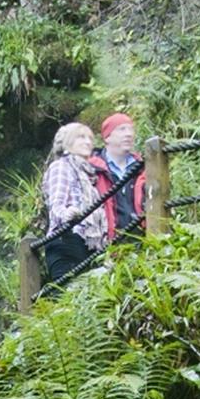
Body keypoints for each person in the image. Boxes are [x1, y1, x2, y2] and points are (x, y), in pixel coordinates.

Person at [40, 122, 108, 290]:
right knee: (66, 295)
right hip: (66, 240)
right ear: (67, 142)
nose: (87, 142)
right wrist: (68, 214)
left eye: (90, 138)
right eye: (80, 137)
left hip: (85, 242)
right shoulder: (61, 167)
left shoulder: (88, 174)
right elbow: (56, 205)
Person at [88, 113, 147, 241]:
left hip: (143, 239)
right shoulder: (91, 169)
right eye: (122, 129)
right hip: (108, 242)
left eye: (130, 129)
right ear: (107, 137)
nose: (128, 134)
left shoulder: (143, 166)